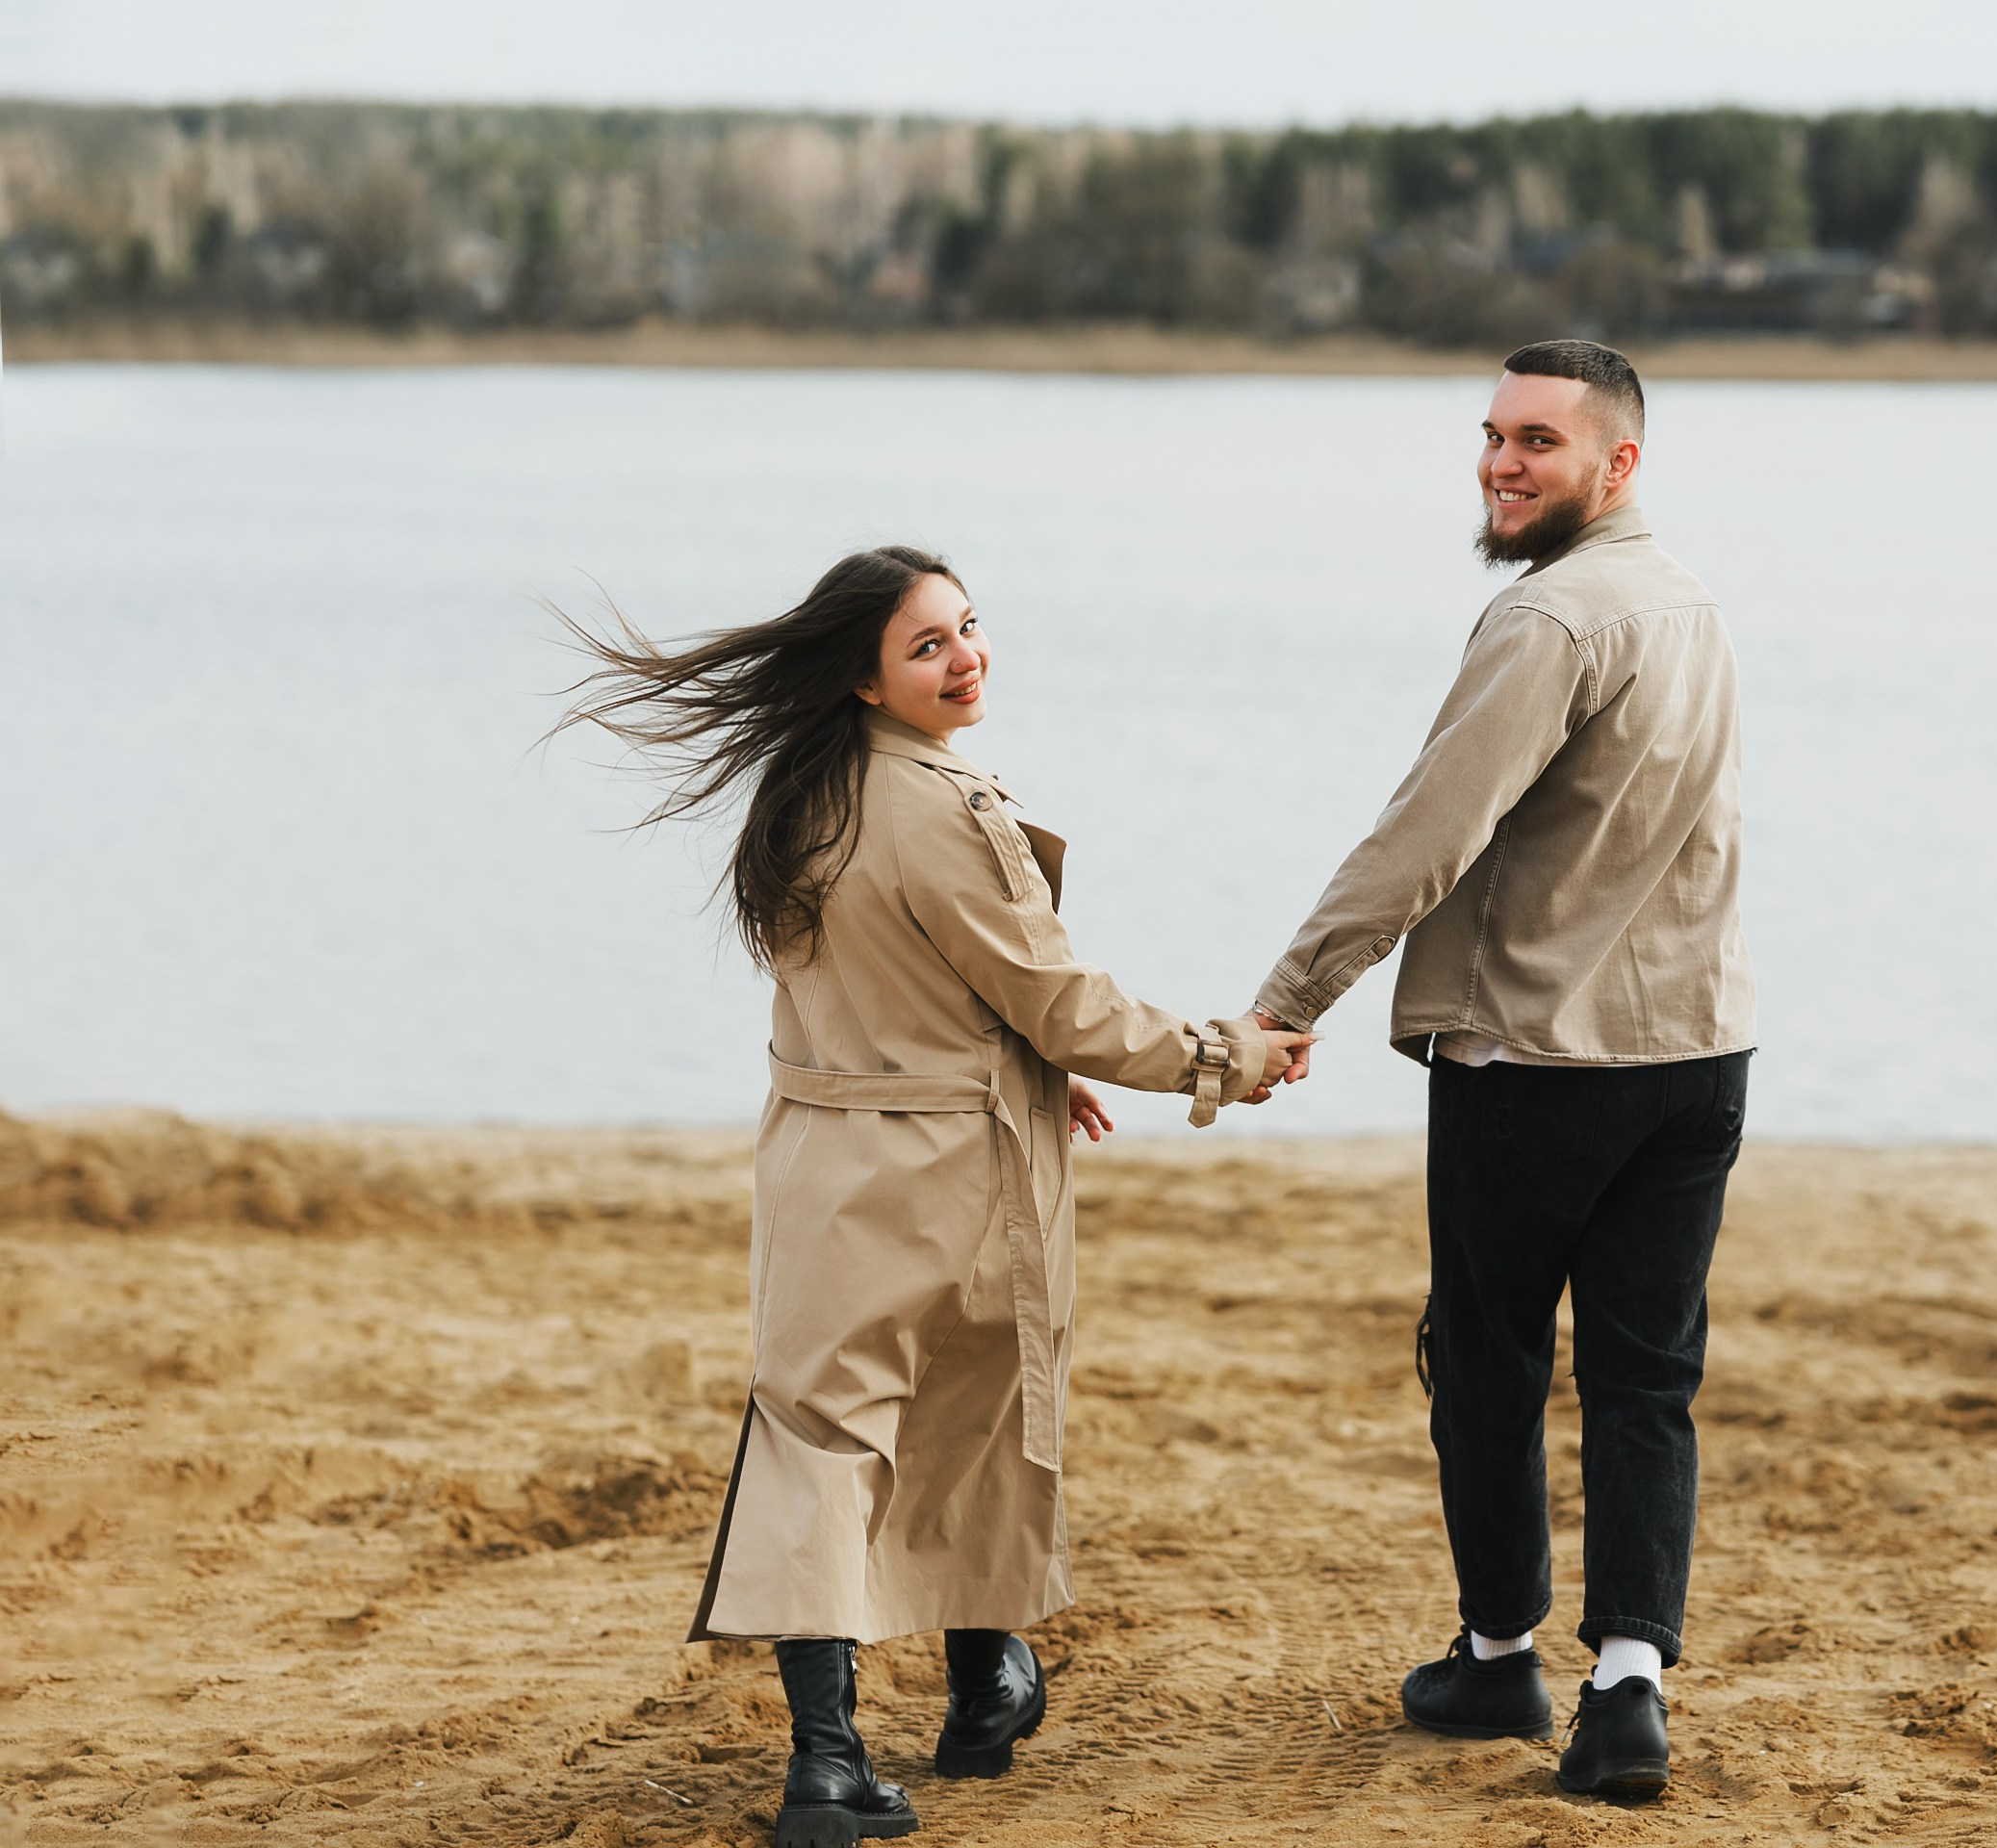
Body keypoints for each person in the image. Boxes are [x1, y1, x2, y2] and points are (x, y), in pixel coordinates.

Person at [561, 546, 1308, 1848]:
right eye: (929, 646)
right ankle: (978, 1690)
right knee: (979, 1407)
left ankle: (830, 1759)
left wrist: (1024, 1071)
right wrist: (1222, 1058)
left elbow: (884, 987)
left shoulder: (798, 798)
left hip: (818, 1162)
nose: (966, 659)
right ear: (864, 678)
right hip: (951, 1176)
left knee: (818, 1445)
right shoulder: (946, 809)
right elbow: (1057, 998)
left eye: (970, 630)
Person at [1250, 340, 1754, 1799]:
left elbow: (1427, 835)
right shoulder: (1696, 607)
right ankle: (1630, 1684)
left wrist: (1291, 1000)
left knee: (1486, 1361)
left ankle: (1495, 1658)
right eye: (1492, 435)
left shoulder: (1549, 623)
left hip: (1534, 1058)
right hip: (1700, 1050)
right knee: (1648, 1378)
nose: (1501, 462)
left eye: (1539, 438)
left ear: (1621, 460)